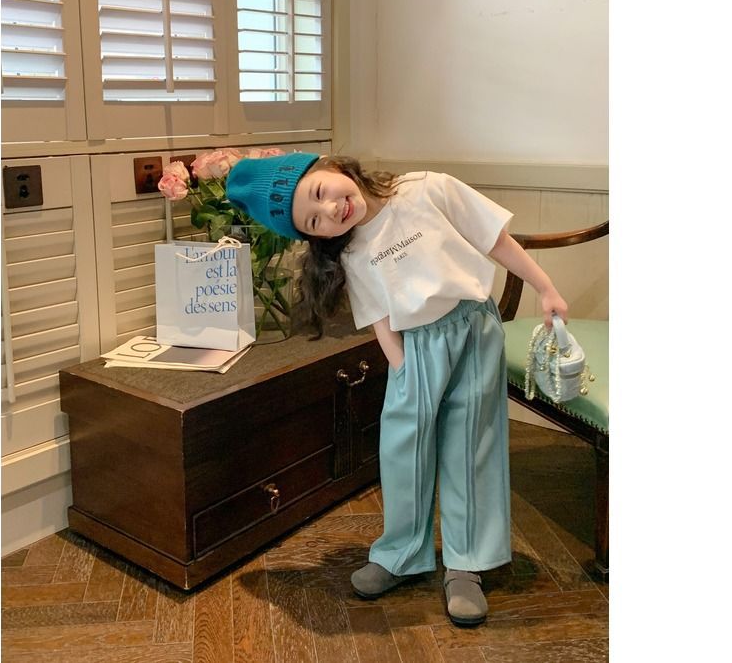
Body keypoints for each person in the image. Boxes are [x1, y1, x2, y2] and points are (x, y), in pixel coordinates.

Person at [225, 152, 568, 627]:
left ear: (331, 166)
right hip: (414, 347)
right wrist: (402, 366)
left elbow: (494, 239)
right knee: (402, 446)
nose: (330, 210)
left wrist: (546, 287)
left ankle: (465, 565)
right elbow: (378, 313)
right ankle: (400, 554)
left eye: (320, 192)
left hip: (472, 328)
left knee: (471, 443)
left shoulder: (429, 188)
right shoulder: (350, 250)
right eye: (314, 221)